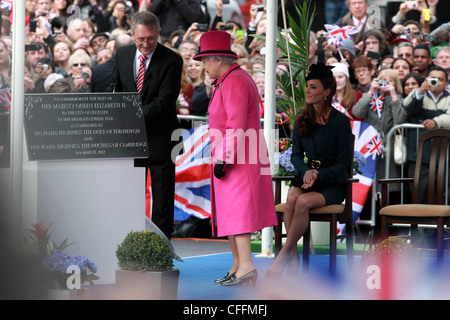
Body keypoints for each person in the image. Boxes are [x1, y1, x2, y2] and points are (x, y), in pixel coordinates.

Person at [193, 30, 276, 286]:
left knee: (239, 214)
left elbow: (236, 124)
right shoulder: (229, 79)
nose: (203, 67)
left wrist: (224, 159)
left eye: (205, 61)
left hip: (239, 159)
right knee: (230, 214)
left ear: (217, 60)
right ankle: (238, 265)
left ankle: (247, 267)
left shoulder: (236, 81)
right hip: (234, 157)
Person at [265, 63, 353, 277]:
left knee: (302, 202)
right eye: (307, 87)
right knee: (292, 197)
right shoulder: (302, 117)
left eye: (313, 87)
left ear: (326, 92)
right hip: (306, 177)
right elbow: (295, 155)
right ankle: (294, 259)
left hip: (332, 182)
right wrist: (306, 171)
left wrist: (318, 174)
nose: (307, 91)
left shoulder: (341, 122)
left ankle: (284, 255)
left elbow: (343, 164)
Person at [111, 11, 183, 239]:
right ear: (132, 34)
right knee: (130, 194)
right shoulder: (122, 55)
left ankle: (161, 247)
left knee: (162, 198)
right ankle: (128, 241)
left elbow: (164, 101)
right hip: (131, 139)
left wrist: (132, 119)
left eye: (150, 39)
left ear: (158, 33)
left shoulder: (172, 60)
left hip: (162, 138)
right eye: (141, 39)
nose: (145, 44)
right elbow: (118, 91)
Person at [402, 66, 450, 203]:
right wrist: (420, 91)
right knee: (418, 193)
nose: (436, 81)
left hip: (443, 154)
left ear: (446, 83)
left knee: (442, 194)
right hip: (418, 154)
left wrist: (436, 122)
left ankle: (441, 224)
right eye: (433, 78)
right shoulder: (419, 94)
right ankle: (419, 223)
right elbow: (407, 107)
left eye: (440, 79)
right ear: (426, 79)